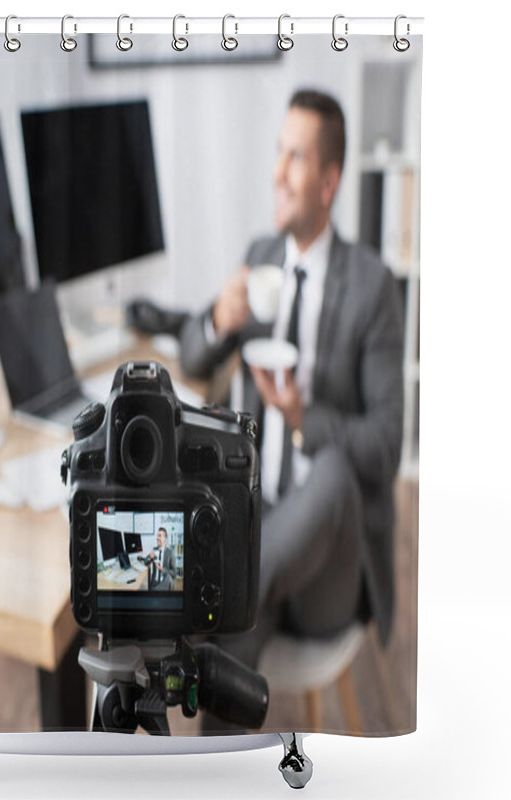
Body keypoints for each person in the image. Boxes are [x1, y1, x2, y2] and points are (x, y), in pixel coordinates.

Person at [180, 89, 404, 703]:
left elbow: (386, 448)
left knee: (331, 472)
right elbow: (191, 356)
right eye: (279, 153)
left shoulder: (373, 287)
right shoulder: (258, 259)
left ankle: (211, 592)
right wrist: (218, 321)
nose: (277, 172)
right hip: (256, 530)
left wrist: (304, 417)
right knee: (231, 649)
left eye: (296, 158)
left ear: (329, 182)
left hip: (325, 570)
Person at [147, 527, 176, 592]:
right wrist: (149, 557)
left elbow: (174, 573)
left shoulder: (170, 552)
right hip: (154, 581)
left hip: (164, 581)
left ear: (165, 538)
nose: (157, 538)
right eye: (157, 536)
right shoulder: (154, 549)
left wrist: (162, 569)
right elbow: (145, 561)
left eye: (160, 536)